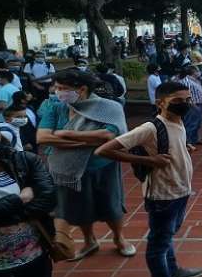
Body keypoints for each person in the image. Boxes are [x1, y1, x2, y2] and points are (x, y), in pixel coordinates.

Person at [96, 82, 202, 277]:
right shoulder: (150, 127)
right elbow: (103, 150)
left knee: (167, 235)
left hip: (181, 190)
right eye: (178, 100)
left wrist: (184, 148)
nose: (185, 104)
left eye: (187, 99)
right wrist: (149, 161)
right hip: (162, 196)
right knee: (158, 244)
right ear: (160, 103)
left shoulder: (178, 120)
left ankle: (172, 269)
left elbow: (169, 145)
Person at [36, 70, 134, 260]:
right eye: (56, 87)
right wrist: (83, 143)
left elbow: (110, 135)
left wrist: (65, 134)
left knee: (111, 204)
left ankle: (119, 238)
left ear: (82, 89)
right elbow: (43, 137)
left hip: (101, 165)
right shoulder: (54, 106)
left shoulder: (109, 107)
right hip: (67, 169)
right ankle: (89, 241)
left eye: (63, 88)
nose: (58, 92)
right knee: (80, 207)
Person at [0, 135, 57, 277]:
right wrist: (19, 200)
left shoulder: (24, 161)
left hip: (32, 251)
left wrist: (1, 213)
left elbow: (48, 199)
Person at [177, 66, 202, 146]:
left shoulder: (195, 80)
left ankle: (194, 140)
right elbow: (187, 96)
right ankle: (188, 143)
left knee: (196, 124)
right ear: (193, 72)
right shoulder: (187, 81)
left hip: (198, 105)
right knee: (191, 124)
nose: (199, 72)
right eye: (197, 71)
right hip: (192, 106)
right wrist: (193, 105)